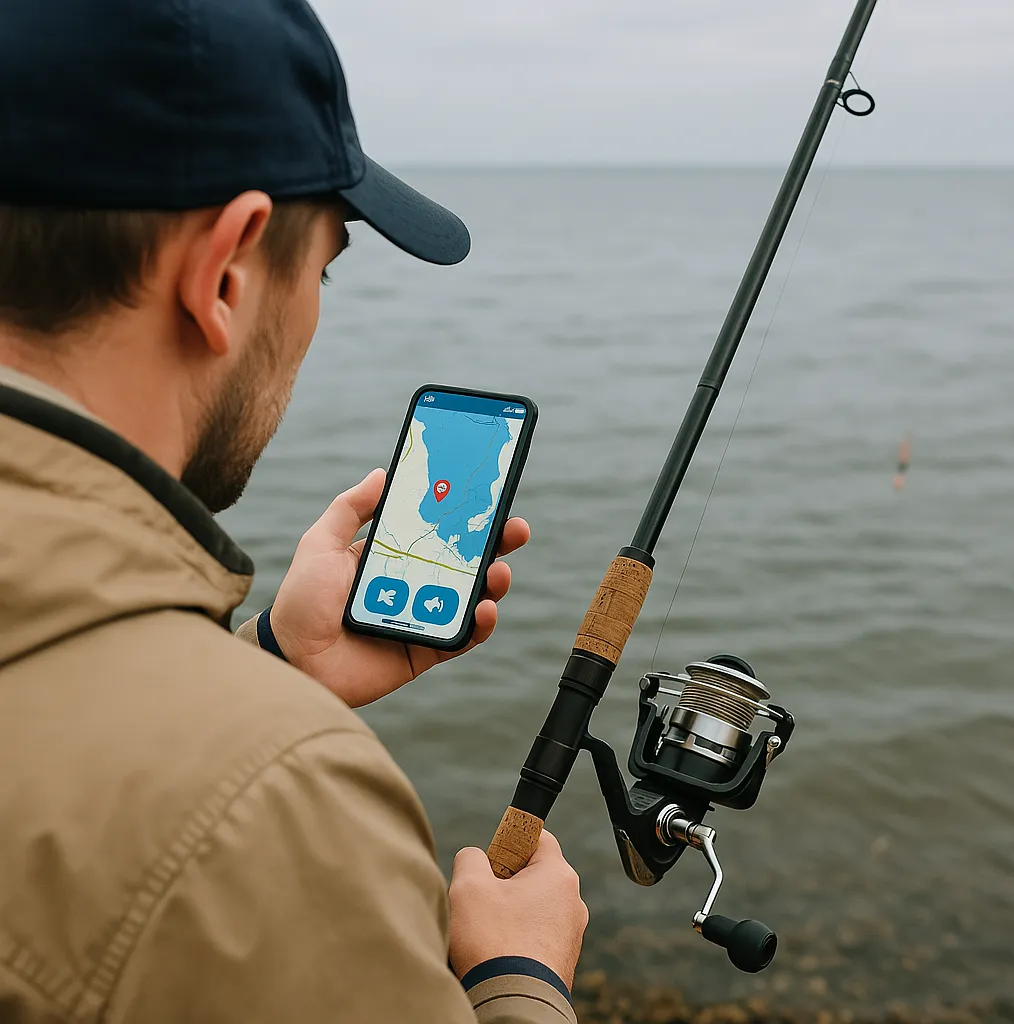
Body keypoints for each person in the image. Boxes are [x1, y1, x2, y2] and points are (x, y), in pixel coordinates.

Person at [0, 1, 588, 1022]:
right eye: (320, 270)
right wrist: (516, 977)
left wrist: (265, 662)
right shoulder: (268, 802)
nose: (312, 311)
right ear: (225, 271)